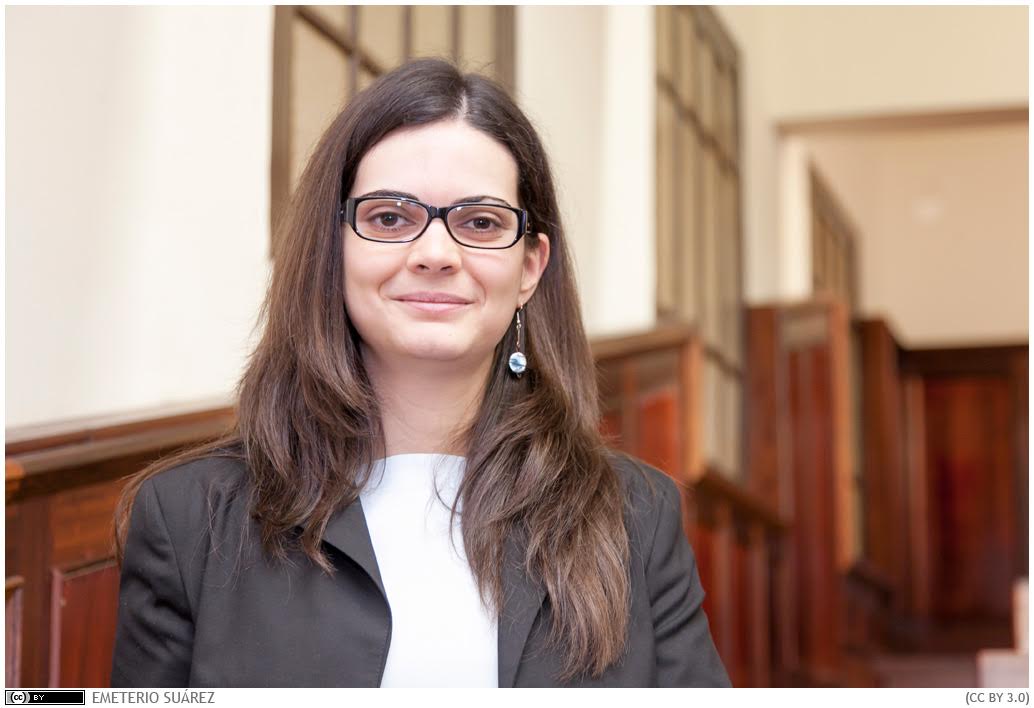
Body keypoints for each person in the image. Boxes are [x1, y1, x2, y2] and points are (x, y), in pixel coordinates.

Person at [111, 58, 730, 688]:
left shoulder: (636, 516)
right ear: (334, 247)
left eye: (481, 223)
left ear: (529, 267)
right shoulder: (188, 517)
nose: (436, 254)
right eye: (389, 217)